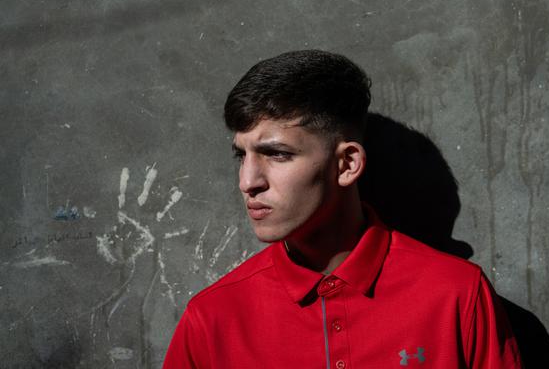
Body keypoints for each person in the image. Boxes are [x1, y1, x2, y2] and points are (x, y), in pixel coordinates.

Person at [163, 50, 522, 368]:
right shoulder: (212, 319)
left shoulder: (456, 295)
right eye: (242, 155)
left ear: (348, 164)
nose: (248, 181)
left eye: (277, 154)